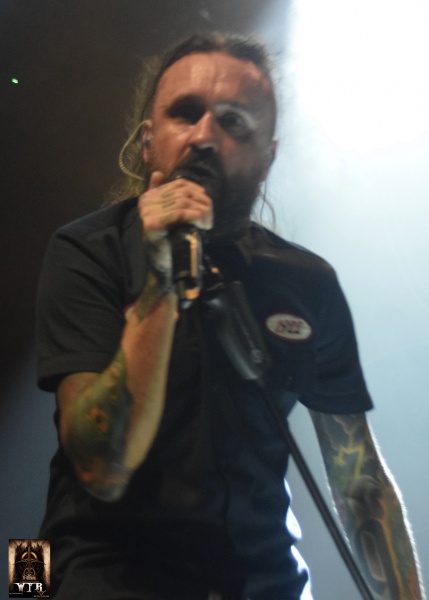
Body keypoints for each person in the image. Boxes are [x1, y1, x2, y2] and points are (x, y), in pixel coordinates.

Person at [36, 32, 425, 600]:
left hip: (263, 577)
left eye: (233, 122)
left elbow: (360, 482)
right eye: (184, 113)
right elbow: (102, 468)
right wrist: (162, 281)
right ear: (147, 141)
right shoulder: (85, 251)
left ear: (268, 157)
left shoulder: (306, 282)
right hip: (95, 571)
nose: (203, 137)